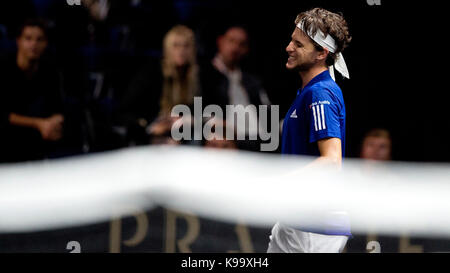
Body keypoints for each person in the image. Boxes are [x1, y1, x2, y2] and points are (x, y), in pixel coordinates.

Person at [267, 8, 352, 253]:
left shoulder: (320, 93)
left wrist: (279, 183)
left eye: (298, 44)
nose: (288, 47)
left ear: (321, 53)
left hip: (315, 228)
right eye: (291, 40)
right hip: (295, 220)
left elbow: (331, 161)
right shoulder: (308, 92)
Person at [116, 25, 201, 145]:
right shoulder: (152, 73)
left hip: (183, 133)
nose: (181, 51)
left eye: (186, 46)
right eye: (176, 46)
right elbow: (126, 111)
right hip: (151, 132)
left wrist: (185, 120)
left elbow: (203, 112)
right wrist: (149, 124)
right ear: (168, 48)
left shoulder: (195, 77)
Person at [0, 18, 64, 163]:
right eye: (28, 39)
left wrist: (56, 119)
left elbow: (58, 106)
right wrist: (38, 123)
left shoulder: (50, 71)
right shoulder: (4, 69)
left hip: (39, 137)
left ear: (46, 43)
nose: (34, 44)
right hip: (8, 138)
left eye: (39, 39)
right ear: (18, 41)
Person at [202, 26, 271, 149]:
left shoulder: (251, 79)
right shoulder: (204, 73)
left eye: (241, 44)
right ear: (220, 41)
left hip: (259, 139)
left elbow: (267, 109)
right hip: (225, 137)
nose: (235, 48)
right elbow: (197, 109)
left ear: (246, 49)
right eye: (231, 41)